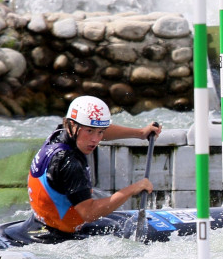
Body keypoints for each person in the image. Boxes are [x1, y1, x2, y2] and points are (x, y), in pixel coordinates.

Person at [27, 95, 162, 234]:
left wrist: (140, 133)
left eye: (100, 133)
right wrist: (133, 189)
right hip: (59, 237)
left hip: (40, 222)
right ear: (72, 125)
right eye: (90, 132)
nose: (95, 140)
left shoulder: (61, 133)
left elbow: (98, 127)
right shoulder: (71, 164)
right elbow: (89, 213)